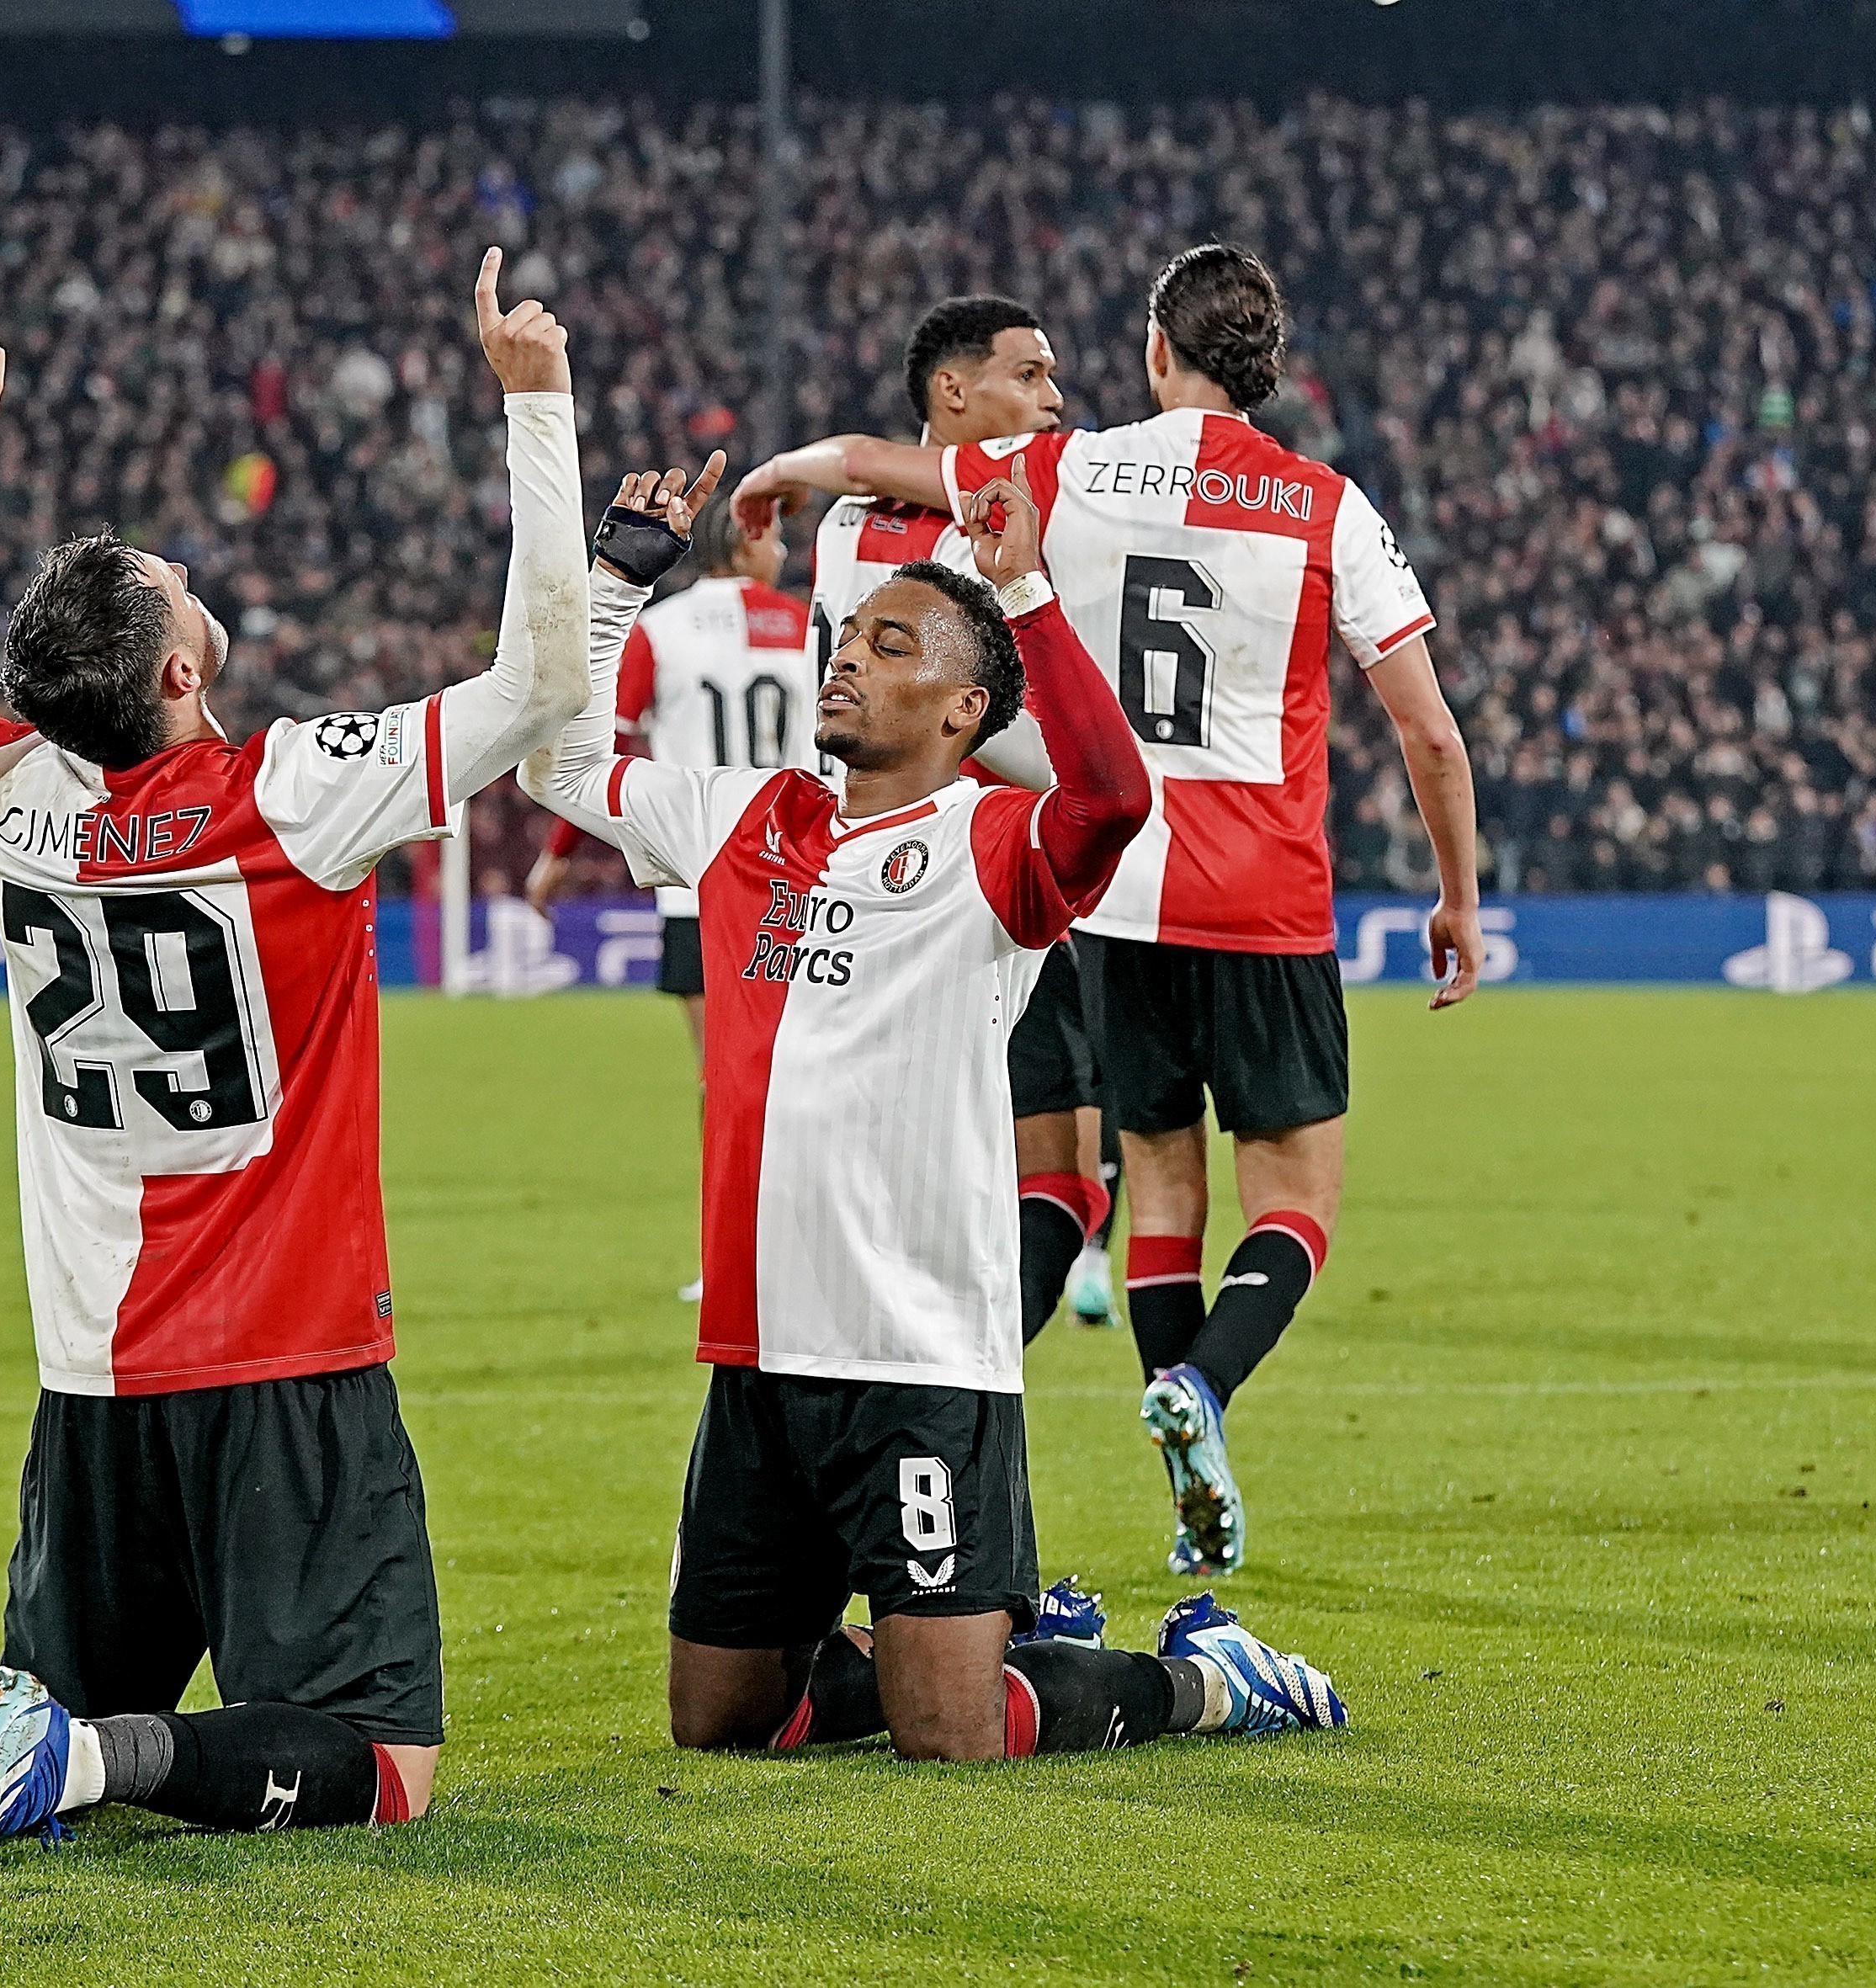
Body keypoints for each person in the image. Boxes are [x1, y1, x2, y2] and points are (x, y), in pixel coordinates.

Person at [0, 255, 589, 1864]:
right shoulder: (291, 795)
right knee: (384, 1763)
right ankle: (68, 1766)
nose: (195, 587)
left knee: (74, 1686)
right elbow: (544, 682)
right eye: (177, 586)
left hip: (90, 1373)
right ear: (180, 669)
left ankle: (7, 1723)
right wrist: (535, 404)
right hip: (283, 1358)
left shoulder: (3, 797)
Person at [529, 449, 1344, 1761]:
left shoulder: (993, 844)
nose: (842, 658)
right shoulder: (748, 815)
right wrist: (613, 580)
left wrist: (1021, 584)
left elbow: (1114, 796)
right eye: (844, 638)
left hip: (915, 1357)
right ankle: (992, 1632)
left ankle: (1204, 1681)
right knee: (719, 1723)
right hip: (755, 1356)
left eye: (888, 643)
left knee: (952, 1735)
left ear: (964, 706)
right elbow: (557, 773)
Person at [730, 243, 1483, 1576]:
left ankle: (1174, 1447)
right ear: (1266, 363)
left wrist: (775, 473)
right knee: (1294, 1198)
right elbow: (1425, 733)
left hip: (1116, 887)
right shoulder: (1324, 505)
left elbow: (873, 463)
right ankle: (1200, 1389)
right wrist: (1455, 897)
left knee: (1157, 1185)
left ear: (1152, 352)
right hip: (1262, 893)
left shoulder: (1071, 470)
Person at [733, 294, 1119, 1343]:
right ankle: (957, 1366)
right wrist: (1091, 784)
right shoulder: (954, 536)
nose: (1053, 396)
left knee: (936, 1164)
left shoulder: (855, 524)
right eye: (1029, 375)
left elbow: (856, 462)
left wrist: (775, 471)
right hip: (972, 883)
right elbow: (956, 729)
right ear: (955, 392)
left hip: (879, 876)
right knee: (1060, 1177)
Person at [523, 492, 807, 1302]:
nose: (784, 551)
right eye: (778, 535)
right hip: (797, 870)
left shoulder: (661, 628)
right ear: (747, 539)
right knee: (800, 1070)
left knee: (724, 1075)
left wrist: (560, 855)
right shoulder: (807, 625)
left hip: (700, 872)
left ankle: (730, 1257)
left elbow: (605, 738)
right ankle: (796, 1249)